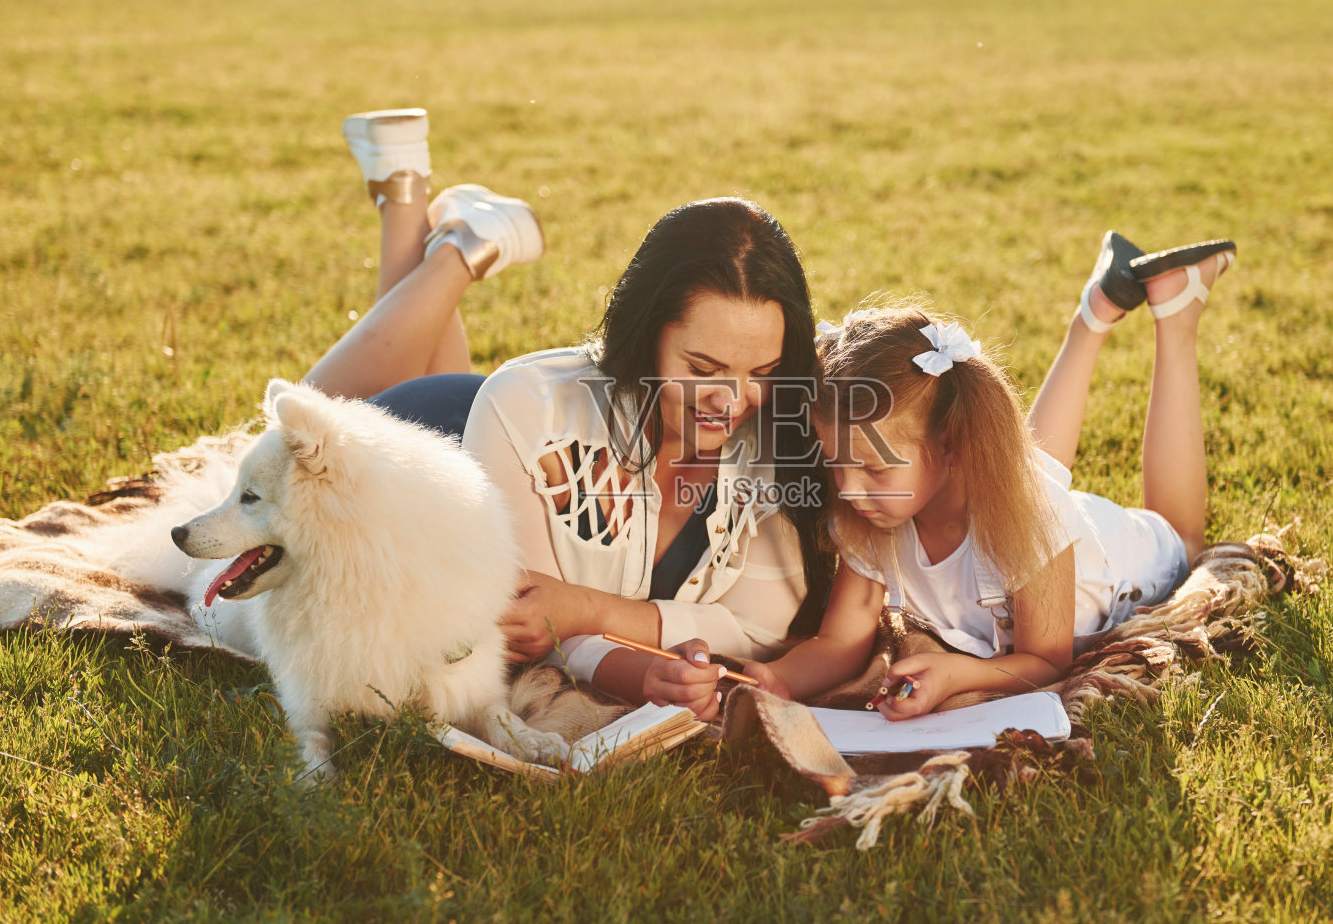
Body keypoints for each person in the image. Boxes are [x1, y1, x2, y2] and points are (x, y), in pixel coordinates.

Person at [303, 109, 834, 719]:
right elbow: (526, 622)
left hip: (492, 440)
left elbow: (756, 631)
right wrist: (635, 655)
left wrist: (590, 609)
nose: (733, 401)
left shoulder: (784, 432)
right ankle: (459, 251)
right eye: (703, 369)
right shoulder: (528, 406)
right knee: (302, 435)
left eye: (762, 372)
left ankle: (414, 200)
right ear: (646, 337)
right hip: (441, 425)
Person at [741, 232, 1237, 719]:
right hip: (1016, 503)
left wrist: (958, 673)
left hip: (1123, 558)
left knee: (1183, 538)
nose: (848, 489)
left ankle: (1177, 309)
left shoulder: (1032, 520)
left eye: (873, 468)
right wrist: (777, 678)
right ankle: (1097, 310)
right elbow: (839, 644)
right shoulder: (872, 516)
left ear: (951, 445)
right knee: (1030, 466)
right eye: (835, 462)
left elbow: (1047, 661)